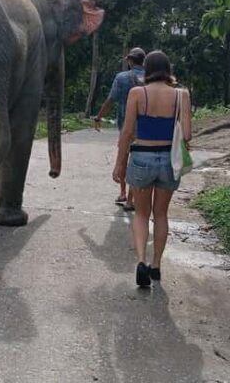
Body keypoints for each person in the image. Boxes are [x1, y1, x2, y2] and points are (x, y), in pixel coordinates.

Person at [112, 50, 191, 287]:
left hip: (141, 158)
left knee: (141, 214)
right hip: (168, 160)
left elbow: (127, 133)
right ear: (168, 70)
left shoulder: (137, 93)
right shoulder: (181, 95)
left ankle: (141, 262)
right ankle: (156, 266)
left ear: (146, 69)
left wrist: (120, 163)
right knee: (161, 215)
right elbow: (187, 135)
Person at [93, 47, 146, 210]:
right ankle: (130, 200)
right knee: (136, 162)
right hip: (145, 128)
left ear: (129, 60)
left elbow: (110, 100)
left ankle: (122, 192)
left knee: (123, 159)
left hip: (125, 126)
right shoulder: (151, 79)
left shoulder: (122, 78)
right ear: (143, 61)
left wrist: (99, 116)